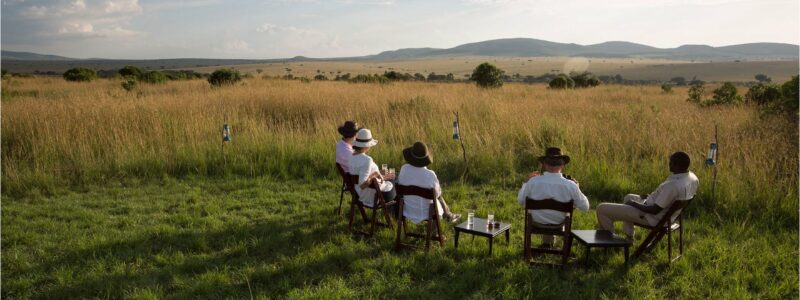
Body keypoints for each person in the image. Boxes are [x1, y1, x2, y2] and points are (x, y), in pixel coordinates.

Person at [596, 151, 699, 239]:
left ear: (677, 165)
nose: (669, 164)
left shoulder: (673, 185)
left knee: (601, 208)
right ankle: (629, 236)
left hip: (651, 217)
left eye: (671, 162)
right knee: (628, 196)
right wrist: (651, 197)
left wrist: (634, 204)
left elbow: (654, 210)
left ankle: (610, 240)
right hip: (666, 216)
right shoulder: (693, 178)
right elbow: (667, 199)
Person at [517, 147, 590, 247]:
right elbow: (585, 207)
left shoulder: (533, 182)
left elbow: (520, 201)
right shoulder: (570, 185)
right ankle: (549, 244)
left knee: (546, 212)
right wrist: (577, 187)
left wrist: (526, 182)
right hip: (558, 223)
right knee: (560, 211)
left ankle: (547, 243)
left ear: (544, 164)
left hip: (536, 221)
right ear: (562, 165)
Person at [396, 142, 461, 224]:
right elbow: (437, 194)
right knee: (438, 195)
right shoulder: (430, 174)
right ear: (425, 158)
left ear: (411, 156)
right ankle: (446, 217)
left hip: (408, 210)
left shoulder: (404, 169)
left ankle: (448, 214)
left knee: (433, 194)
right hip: (427, 212)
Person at [348, 128, 396, 208]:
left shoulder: (351, 157)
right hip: (372, 197)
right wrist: (375, 175)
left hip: (360, 194)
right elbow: (363, 184)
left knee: (392, 176)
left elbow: (362, 173)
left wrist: (378, 174)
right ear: (367, 145)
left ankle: (393, 213)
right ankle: (395, 215)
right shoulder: (367, 160)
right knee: (396, 180)